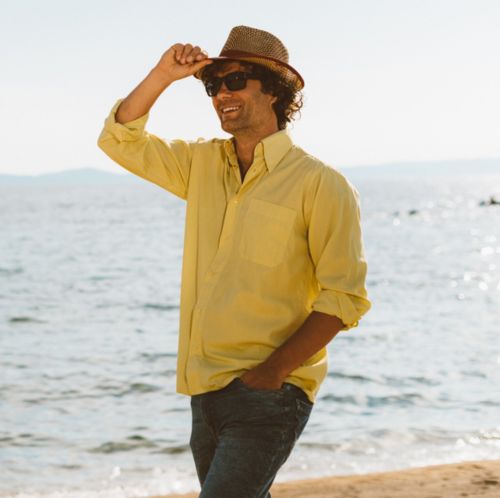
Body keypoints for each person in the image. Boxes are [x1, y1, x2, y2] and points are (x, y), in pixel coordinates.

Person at [98, 25, 371, 498]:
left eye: (235, 80)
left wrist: (272, 373)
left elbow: (343, 298)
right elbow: (121, 139)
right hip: (205, 392)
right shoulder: (201, 166)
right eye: (213, 84)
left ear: (274, 90)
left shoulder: (321, 184)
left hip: (270, 392)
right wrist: (164, 74)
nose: (221, 92)